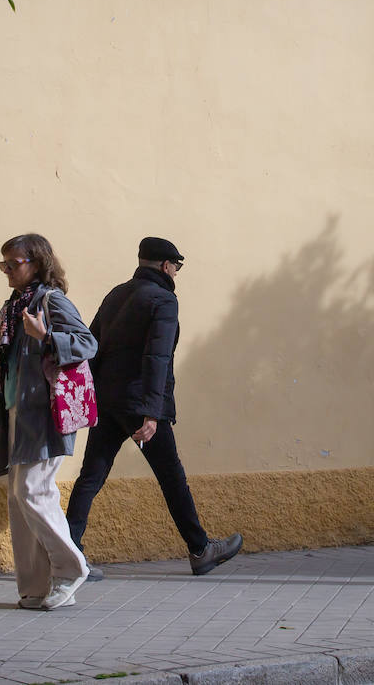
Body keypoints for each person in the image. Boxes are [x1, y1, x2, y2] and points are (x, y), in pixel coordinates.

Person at [66, 237, 243, 576]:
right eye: (176, 266)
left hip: (108, 400)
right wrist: (152, 412)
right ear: (166, 266)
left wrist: (96, 398)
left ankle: (69, 549)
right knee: (171, 476)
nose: (176, 272)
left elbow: (92, 348)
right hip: (139, 404)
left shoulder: (116, 294)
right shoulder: (163, 300)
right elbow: (157, 357)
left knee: (91, 474)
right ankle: (200, 549)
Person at [0, 233, 98, 610]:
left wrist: (47, 337)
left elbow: (87, 343)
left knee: (32, 490)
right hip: (14, 415)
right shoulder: (11, 309)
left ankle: (71, 568)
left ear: (37, 263)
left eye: (14, 263)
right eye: (3, 265)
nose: (7, 271)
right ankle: (35, 588)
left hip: (44, 414)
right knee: (19, 499)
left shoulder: (51, 301)